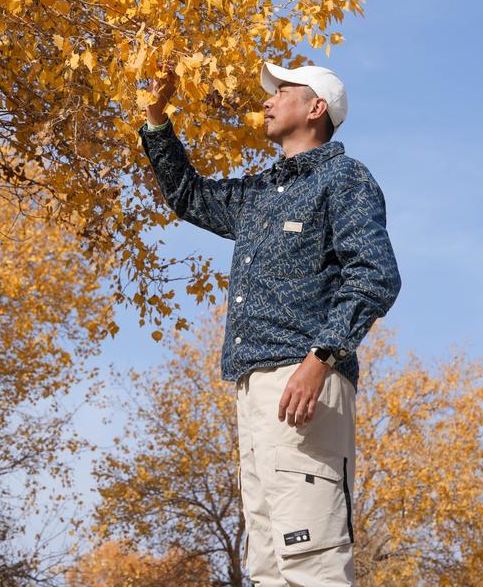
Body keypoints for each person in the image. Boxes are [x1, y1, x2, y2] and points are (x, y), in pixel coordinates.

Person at [138, 59, 401, 587]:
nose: (269, 98)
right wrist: (157, 118)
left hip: (304, 382)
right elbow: (188, 195)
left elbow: (375, 276)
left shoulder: (344, 178)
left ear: (316, 108)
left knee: (313, 561)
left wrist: (320, 359)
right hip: (252, 389)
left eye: (283, 90)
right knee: (269, 568)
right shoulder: (260, 194)